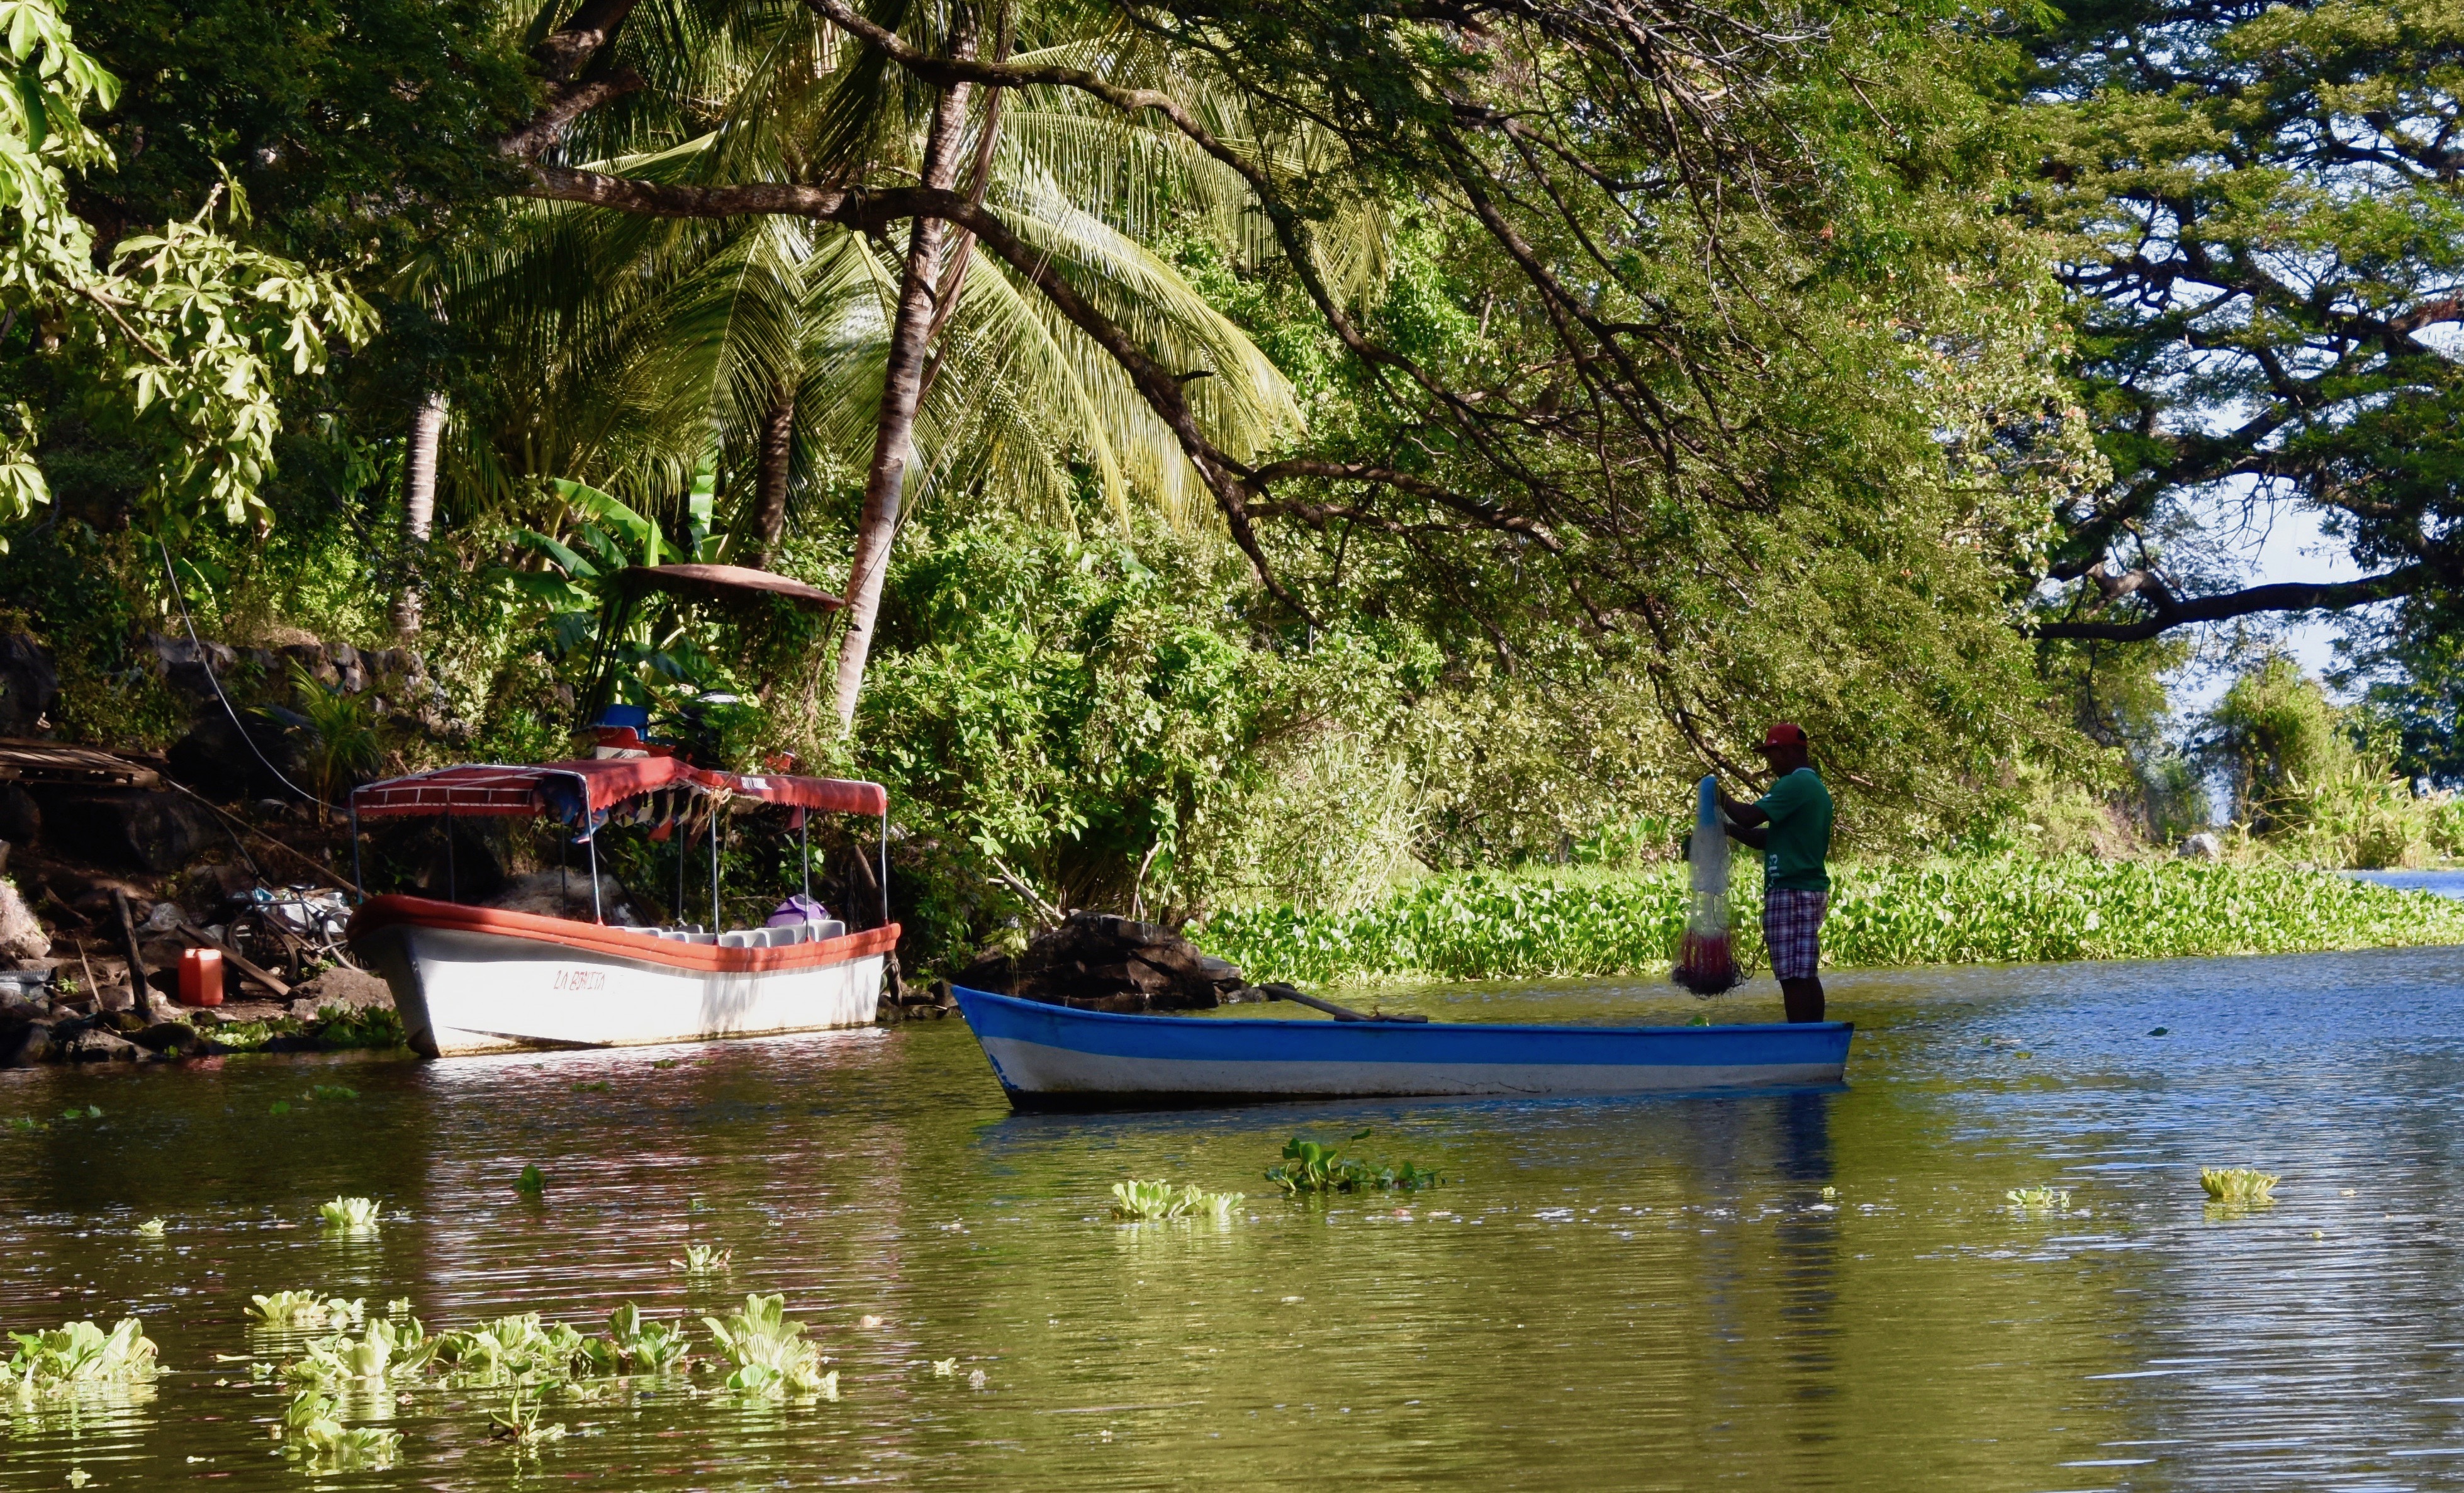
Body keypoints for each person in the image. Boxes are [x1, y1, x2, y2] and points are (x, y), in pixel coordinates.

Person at [1719, 722, 1834, 1023]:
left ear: (1786, 751)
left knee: (1792, 976)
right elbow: (1767, 838)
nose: (1770, 763)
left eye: (1772, 754)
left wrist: (1718, 796)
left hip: (1792, 889)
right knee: (1804, 972)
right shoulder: (1815, 789)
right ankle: (1814, 1038)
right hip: (1807, 887)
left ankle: (1801, 1041)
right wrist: (1726, 829)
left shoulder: (1795, 785)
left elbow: (1748, 817)